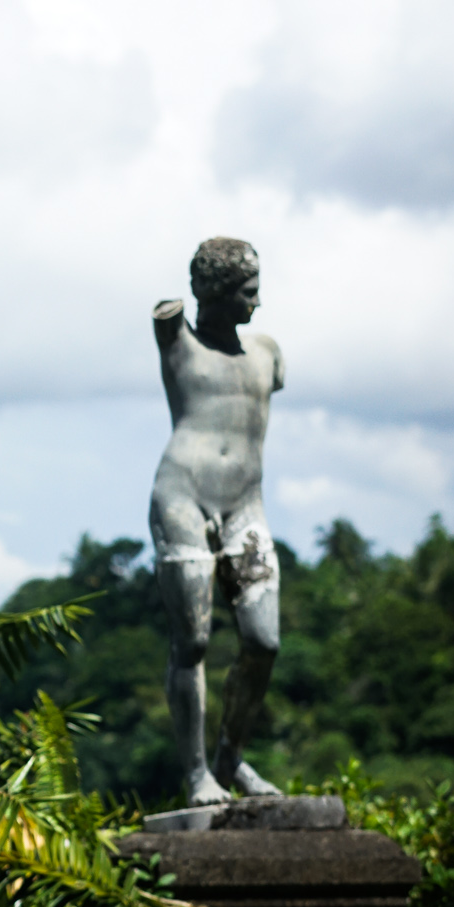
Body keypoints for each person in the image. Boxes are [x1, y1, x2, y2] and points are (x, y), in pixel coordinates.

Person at [149, 236, 283, 805]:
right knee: (194, 641)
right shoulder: (178, 342)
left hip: (245, 507)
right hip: (183, 498)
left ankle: (231, 756)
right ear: (218, 293)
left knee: (263, 640)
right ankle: (197, 773)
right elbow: (165, 316)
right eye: (247, 290)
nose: (257, 300)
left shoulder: (268, 353)